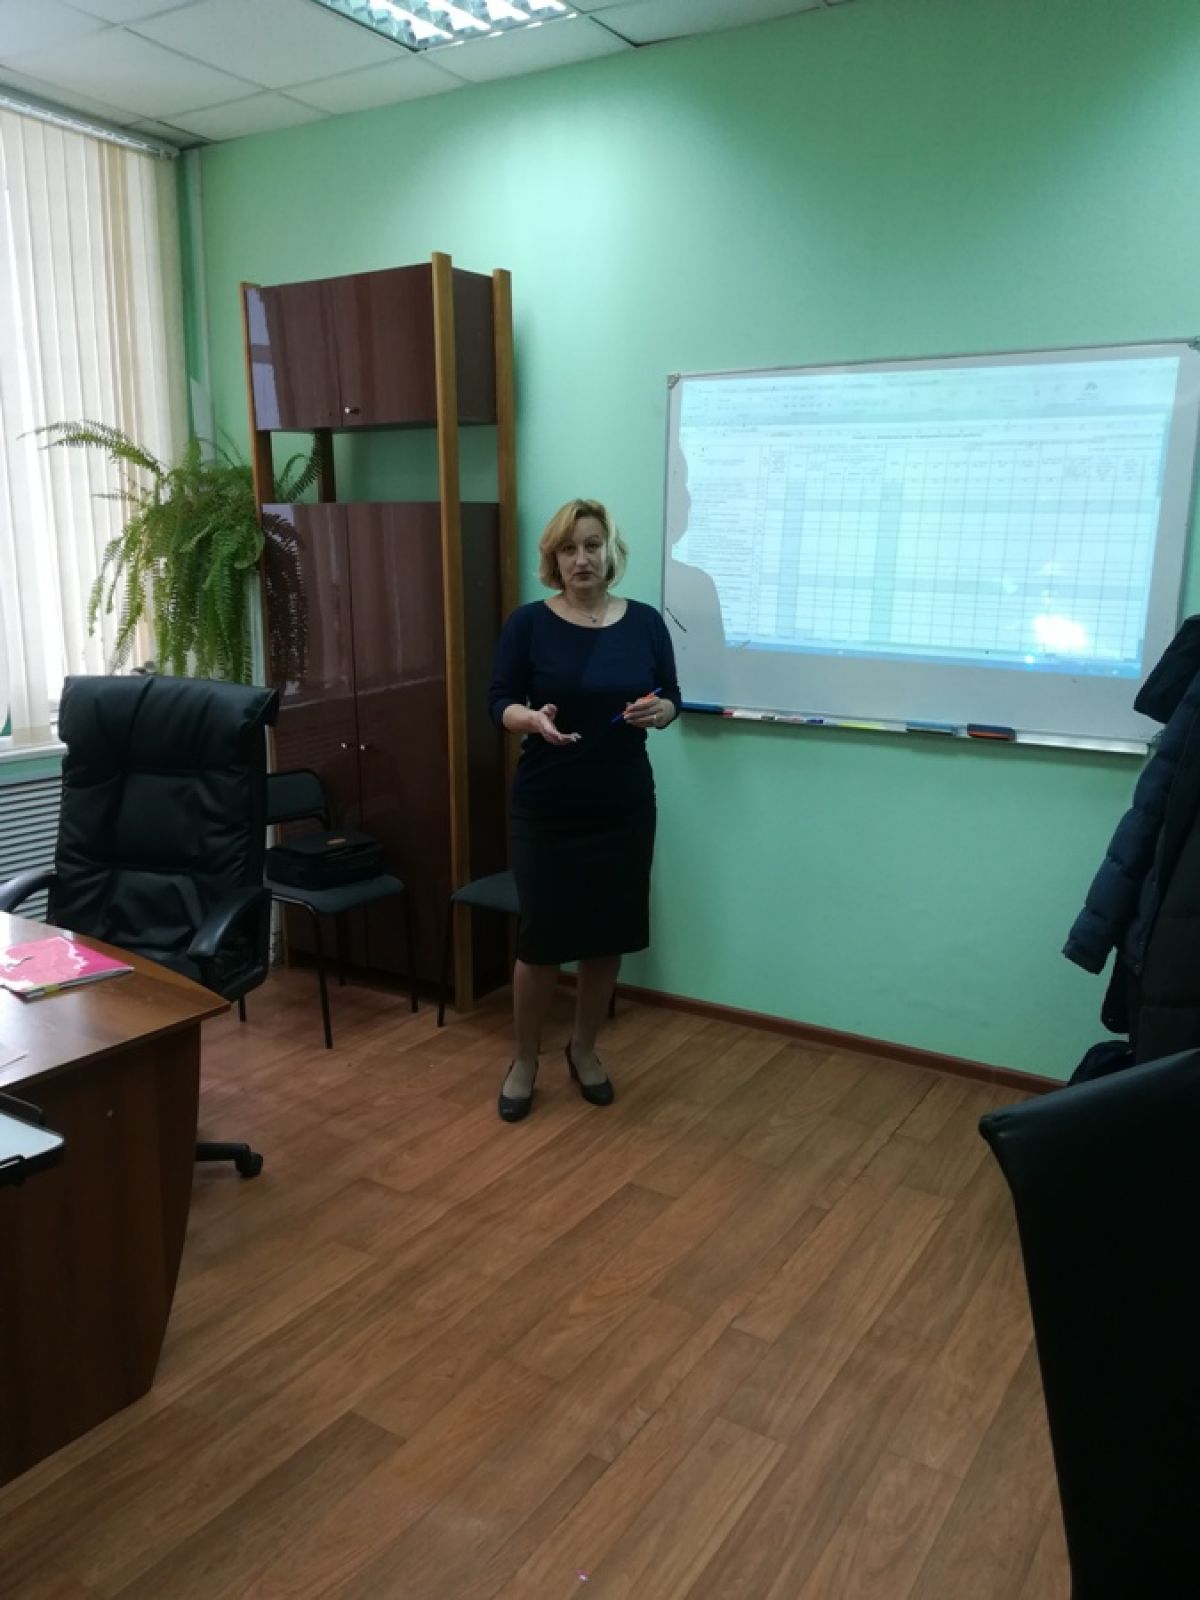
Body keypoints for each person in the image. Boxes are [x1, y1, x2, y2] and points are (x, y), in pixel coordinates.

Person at [488, 498, 681, 1122]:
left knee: (606, 934)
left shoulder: (645, 622)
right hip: (547, 805)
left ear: (609, 552)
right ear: (553, 558)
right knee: (542, 940)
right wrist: (529, 719)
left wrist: (661, 711)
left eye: (592, 545)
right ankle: (525, 1060)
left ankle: (584, 1047)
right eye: (568, 548)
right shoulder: (528, 624)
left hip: (623, 803)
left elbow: (672, 697)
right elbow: (499, 701)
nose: (581, 558)